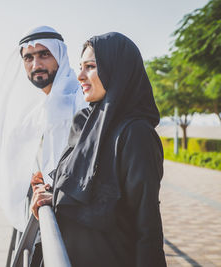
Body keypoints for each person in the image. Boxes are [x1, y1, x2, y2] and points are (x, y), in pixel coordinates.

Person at [31, 32, 167, 267]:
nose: (81, 76)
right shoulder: (82, 123)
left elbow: (147, 228)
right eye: (80, 67)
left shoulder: (136, 134)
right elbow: (81, 192)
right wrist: (53, 198)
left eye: (91, 67)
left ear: (118, 70)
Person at [0, 26, 87, 231]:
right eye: (28, 58)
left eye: (44, 55)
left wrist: (58, 191)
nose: (36, 64)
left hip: (82, 220)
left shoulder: (81, 96)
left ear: (60, 56)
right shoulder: (43, 105)